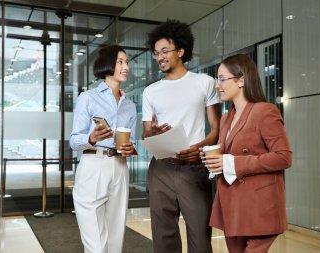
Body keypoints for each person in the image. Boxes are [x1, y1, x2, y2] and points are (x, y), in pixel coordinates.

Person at [142, 19, 220, 253]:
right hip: (161, 169)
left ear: (181, 51)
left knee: (200, 237)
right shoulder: (150, 91)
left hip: (194, 168)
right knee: (163, 237)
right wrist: (152, 133)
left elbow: (216, 128)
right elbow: (146, 133)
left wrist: (198, 149)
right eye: (156, 53)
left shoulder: (204, 83)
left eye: (165, 51)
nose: (160, 57)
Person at [201, 54, 292, 253]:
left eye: (222, 79)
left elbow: (283, 156)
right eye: (217, 79)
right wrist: (214, 161)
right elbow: (225, 159)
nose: (218, 85)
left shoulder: (264, 111)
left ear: (241, 80)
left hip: (259, 205)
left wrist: (232, 163)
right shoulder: (226, 118)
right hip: (231, 204)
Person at [70, 45, 137, 253]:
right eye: (120, 62)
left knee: (115, 237)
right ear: (108, 65)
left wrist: (129, 147)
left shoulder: (130, 106)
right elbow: (74, 140)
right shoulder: (88, 98)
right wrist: (91, 137)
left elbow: (132, 141)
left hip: (120, 166)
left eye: (127, 62)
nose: (126, 66)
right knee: (96, 244)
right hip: (94, 165)